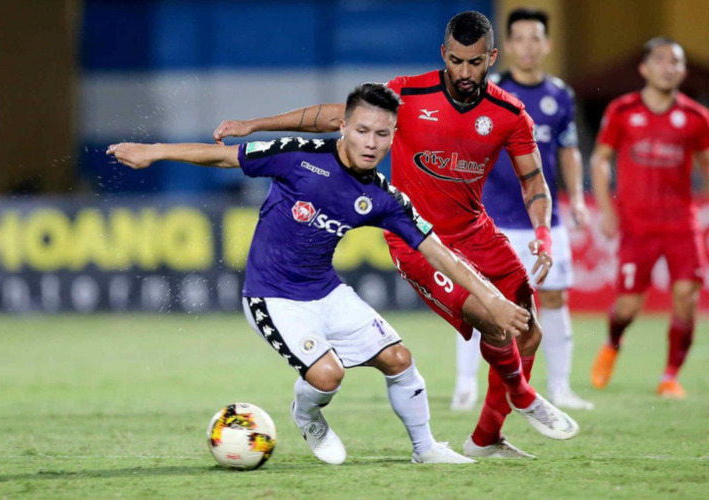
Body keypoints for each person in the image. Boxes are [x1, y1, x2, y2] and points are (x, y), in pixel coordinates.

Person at [107, 83, 542, 466]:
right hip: (271, 295)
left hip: (326, 291)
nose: (371, 143)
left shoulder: (384, 198)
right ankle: (307, 414)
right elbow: (224, 158)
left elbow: (440, 254)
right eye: (362, 130)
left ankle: (425, 448)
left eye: (382, 134)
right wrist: (154, 151)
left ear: (393, 137)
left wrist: (494, 301)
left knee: (399, 359)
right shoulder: (299, 155)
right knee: (329, 376)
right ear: (343, 126)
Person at [213, 11, 579, 459]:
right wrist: (254, 125)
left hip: (476, 231)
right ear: (443, 54)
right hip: (417, 239)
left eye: (475, 62)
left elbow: (534, 180)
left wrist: (543, 232)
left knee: (528, 332)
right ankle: (521, 394)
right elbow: (332, 118)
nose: (465, 72)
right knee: (494, 319)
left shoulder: (509, 113)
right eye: (457, 61)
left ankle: (486, 439)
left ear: (491, 58)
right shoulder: (409, 93)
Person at [451, 8, 593, 413]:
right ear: (507, 46)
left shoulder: (560, 95)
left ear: (547, 44)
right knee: (478, 302)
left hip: (544, 219)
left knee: (554, 298)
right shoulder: (487, 90)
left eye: (536, 38)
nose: (528, 46)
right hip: (491, 219)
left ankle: (560, 387)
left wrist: (577, 198)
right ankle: (465, 385)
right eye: (520, 39)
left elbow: (568, 150)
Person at [590, 37, 709, 399]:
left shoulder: (696, 118)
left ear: (682, 71)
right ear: (644, 68)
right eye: (660, 60)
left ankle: (669, 376)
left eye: (675, 62)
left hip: (681, 225)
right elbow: (600, 159)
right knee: (628, 307)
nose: (668, 67)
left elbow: (706, 163)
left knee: (686, 296)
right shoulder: (623, 110)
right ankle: (612, 343)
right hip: (636, 226)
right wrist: (607, 209)